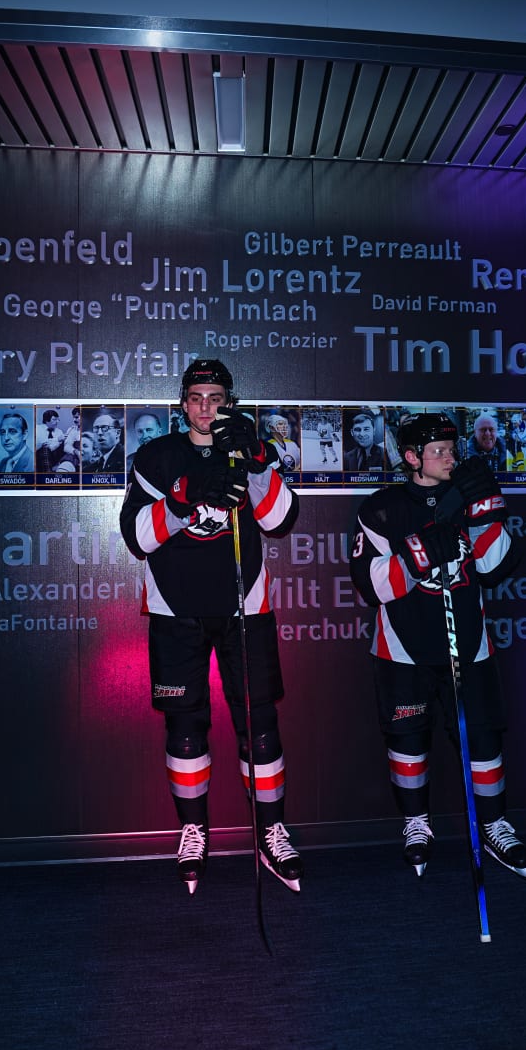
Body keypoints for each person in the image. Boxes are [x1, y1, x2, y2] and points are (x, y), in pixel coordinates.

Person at [118, 359, 304, 894]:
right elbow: (137, 538)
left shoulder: (245, 448)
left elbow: (280, 520)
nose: (205, 407)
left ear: (229, 402)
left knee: (260, 724)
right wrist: (183, 496)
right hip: (176, 609)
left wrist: (257, 461)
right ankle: (193, 830)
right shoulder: (156, 456)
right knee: (185, 726)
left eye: (216, 398)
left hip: (245, 606)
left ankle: (270, 831)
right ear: (182, 403)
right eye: (196, 397)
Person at [348, 414, 526, 879]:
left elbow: (494, 567)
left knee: (484, 739)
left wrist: (487, 510)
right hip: (402, 650)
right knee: (408, 741)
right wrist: (421, 551)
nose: (451, 458)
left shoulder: (465, 495)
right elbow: (372, 587)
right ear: (412, 458)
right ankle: (416, 822)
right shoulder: (381, 509)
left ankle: (494, 824)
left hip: (469, 645)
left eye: (452, 450)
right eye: (439, 452)